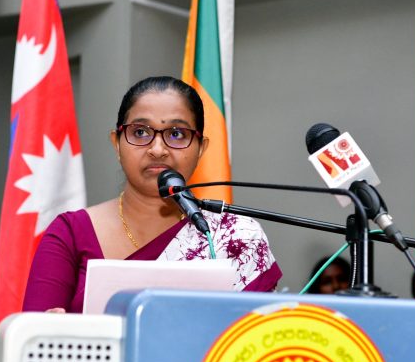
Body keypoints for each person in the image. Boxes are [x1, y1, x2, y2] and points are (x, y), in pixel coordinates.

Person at [23, 76, 282, 313]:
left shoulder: (236, 237)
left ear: (201, 148)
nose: (157, 149)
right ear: (117, 143)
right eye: (140, 132)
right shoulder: (69, 233)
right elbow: (31, 341)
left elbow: (258, 341)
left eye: (177, 134)